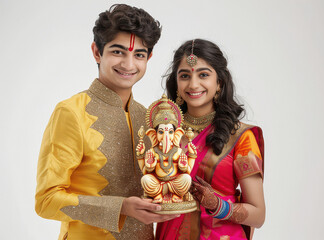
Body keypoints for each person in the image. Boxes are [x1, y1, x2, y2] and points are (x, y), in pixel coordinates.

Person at [35, 4, 178, 240]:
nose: (129, 65)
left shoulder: (148, 117)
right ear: (97, 52)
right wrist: (121, 207)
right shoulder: (71, 112)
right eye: (118, 52)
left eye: (139, 55)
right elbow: (46, 200)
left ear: (149, 58)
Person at [156, 39, 265, 240]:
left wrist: (217, 205)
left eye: (203, 75)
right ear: (177, 82)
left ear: (219, 83)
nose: (193, 84)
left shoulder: (241, 137)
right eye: (185, 76)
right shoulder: (163, 133)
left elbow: (258, 216)